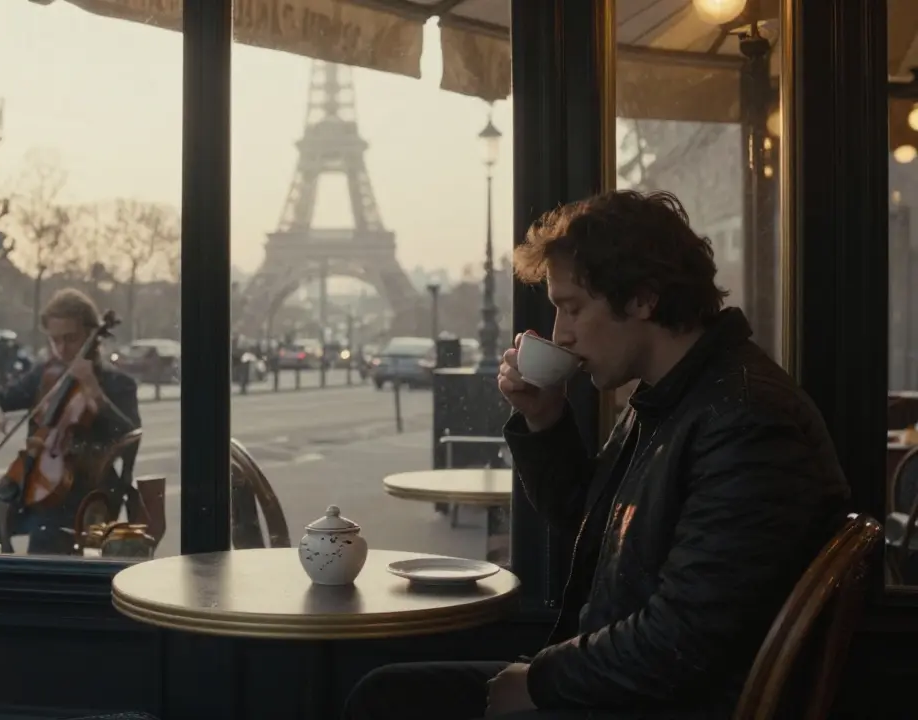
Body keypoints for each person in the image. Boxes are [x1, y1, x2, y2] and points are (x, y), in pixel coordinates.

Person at [343, 190, 850, 720]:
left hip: (652, 704)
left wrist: (539, 682)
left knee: (389, 701)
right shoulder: (678, 397)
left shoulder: (747, 421)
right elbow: (588, 519)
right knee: (387, 694)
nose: (560, 333)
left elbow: (683, 641)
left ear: (641, 299)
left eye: (572, 306)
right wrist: (545, 419)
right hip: (626, 686)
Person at [0, 288, 142, 555]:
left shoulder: (117, 383)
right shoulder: (46, 374)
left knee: (46, 533)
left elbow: (129, 433)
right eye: (55, 341)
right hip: (34, 477)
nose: (62, 349)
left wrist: (92, 389)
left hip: (84, 493)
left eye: (71, 339)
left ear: (91, 336)